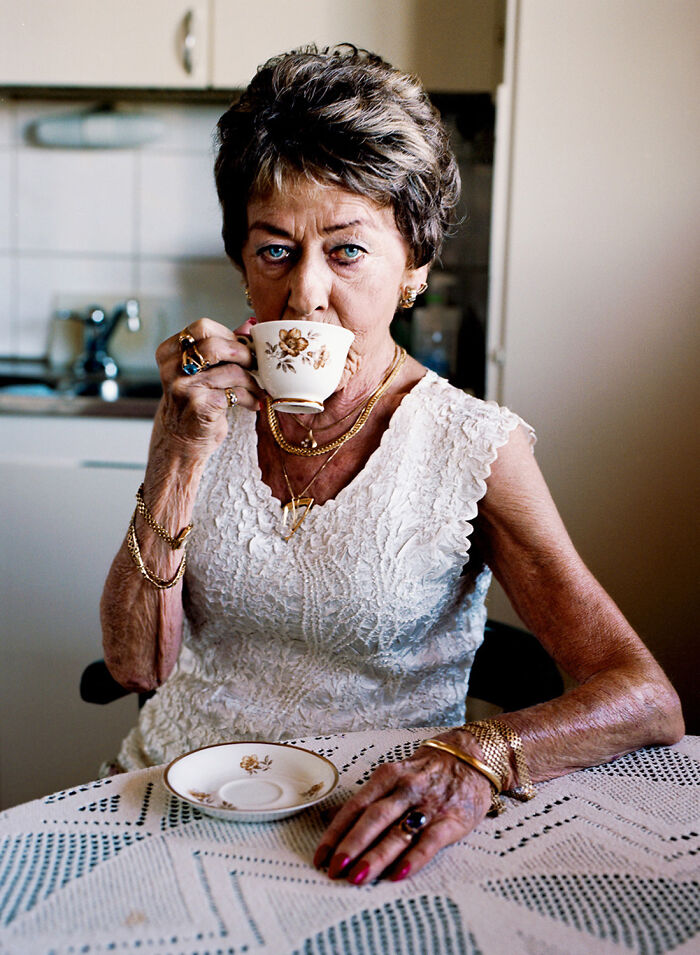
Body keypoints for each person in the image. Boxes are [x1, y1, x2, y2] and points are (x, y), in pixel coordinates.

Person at [100, 45, 683, 885]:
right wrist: (176, 453)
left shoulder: (472, 445)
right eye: (274, 250)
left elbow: (644, 694)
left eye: (345, 251)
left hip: (373, 822)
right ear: (240, 262)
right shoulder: (204, 409)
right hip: (181, 797)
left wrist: (476, 756)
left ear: (413, 265)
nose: (304, 293)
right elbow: (135, 666)